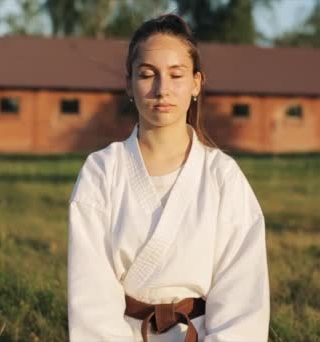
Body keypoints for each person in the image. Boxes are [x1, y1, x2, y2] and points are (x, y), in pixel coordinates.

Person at [67, 14, 270, 342]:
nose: (162, 90)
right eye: (147, 75)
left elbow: (243, 297)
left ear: (196, 84)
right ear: (129, 84)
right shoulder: (101, 171)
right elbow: (90, 296)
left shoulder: (223, 176)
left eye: (177, 75)